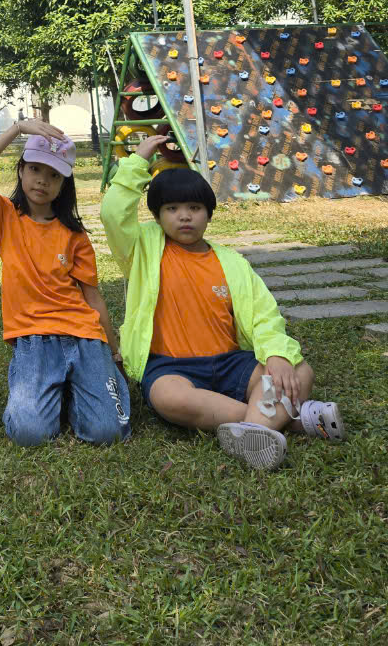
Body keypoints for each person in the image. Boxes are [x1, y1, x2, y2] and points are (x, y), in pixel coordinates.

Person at [101, 135, 344, 470]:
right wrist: (138, 160)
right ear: (156, 217)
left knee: (299, 370)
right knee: (167, 398)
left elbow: (264, 314)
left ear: (209, 214)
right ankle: (287, 419)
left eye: (194, 208)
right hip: (170, 367)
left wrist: (275, 353)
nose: (184, 217)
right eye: (172, 209)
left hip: (231, 362)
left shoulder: (231, 262)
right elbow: (113, 212)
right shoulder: (140, 249)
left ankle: (256, 431)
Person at [0, 119, 130, 448]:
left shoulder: (75, 236)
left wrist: (114, 355)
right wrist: (18, 129)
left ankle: (81, 387)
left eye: (54, 175)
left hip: (83, 335)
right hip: (34, 340)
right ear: (22, 170)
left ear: (63, 184)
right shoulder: (5, 217)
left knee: (108, 432)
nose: (43, 181)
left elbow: (93, 299)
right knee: (29, 433)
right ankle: (66, 390)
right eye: (36, 170)